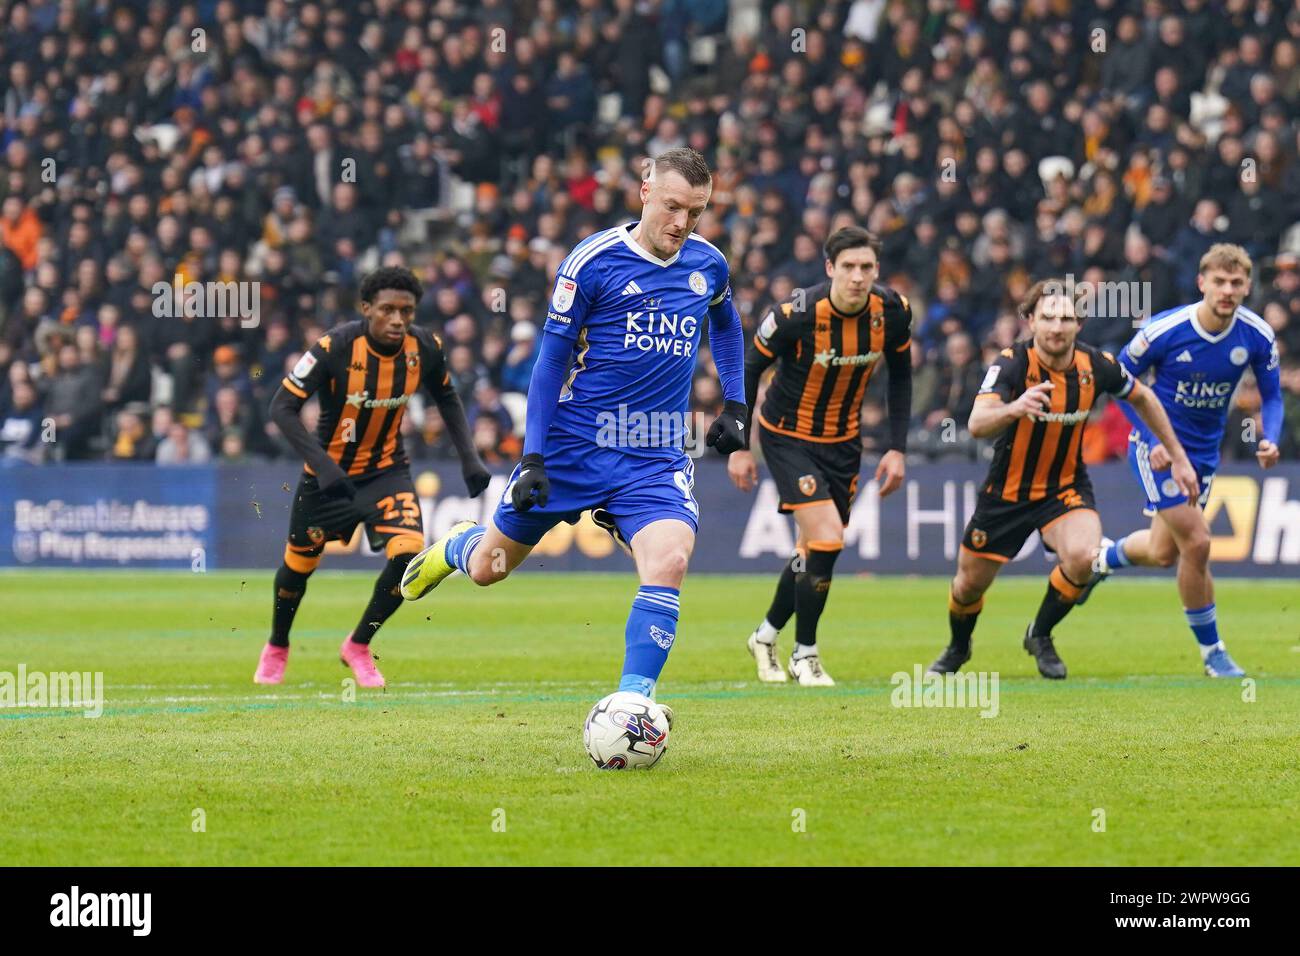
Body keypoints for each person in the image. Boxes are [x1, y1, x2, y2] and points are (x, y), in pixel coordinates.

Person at [399, 148, 748, 727]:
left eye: (697, 211)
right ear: (644, 190)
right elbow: (549, 363)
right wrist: (533, 456)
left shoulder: (708, 264)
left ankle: (633, 703)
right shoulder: (593, 261)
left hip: (655, 449)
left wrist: (736, 403)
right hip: (574, 446)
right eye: (672, 207)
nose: (682, 223)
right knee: (490, 569)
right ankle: (459, 544)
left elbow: (727, 325)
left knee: (671, 560)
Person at [927, 279, 1198, 679]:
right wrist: (1015, 407)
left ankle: (1040, 633)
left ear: (1079, 324)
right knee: (968, 585)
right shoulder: (1011, 363)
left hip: (1065, 488)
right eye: (1048, 317)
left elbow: (1143, 396)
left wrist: (1176, 454)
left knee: (1085, 558)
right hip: (1007, 493)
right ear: (1031, 321)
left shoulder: (1096, 365)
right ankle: (958, 647)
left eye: (1066, 318)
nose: (1057, 327)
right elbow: (976, 423)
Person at [253, 267, 490, 688]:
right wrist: (324, 466)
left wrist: (469, 459)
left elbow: (448, 398)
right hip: (328, 478)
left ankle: (359, 644)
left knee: (409, 555)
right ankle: (277, 644)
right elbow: (280, 408)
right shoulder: (334, 347)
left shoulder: (425, 346)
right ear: (366, 309)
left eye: (407, 310)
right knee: (297, 569)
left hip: (387, 472)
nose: (398, 319)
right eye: (387, 310)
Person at [727, 226, 912, 686]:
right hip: (786, 436)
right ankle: (804, 654)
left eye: (866, 267)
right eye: (848, 267)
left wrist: (896, 448)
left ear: (876, 270)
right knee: (828, 541)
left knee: (810, 553)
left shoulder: (892, 311)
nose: (857, 276)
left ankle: (764, 635)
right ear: (830, 268)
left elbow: (902, 375)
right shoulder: (797, 313)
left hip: (844, 444)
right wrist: (738, 445)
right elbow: (750, 367)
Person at [1089, 244, 1284, 677]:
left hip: (1204, 454)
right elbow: (1117, 379)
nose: (1227, 290)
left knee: (1163, 552)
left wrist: (1270, 438)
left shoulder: (1256, 335)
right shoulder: (1165, 330)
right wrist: (1146, 434)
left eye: (1236, 283)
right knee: (1196, 543)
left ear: (1247, 286)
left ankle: (1101, 559)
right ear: (1202, 283)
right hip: (1157, 449)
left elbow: (1272, 395)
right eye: (1219, 281)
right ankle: (1213, 654)